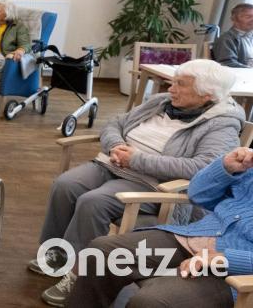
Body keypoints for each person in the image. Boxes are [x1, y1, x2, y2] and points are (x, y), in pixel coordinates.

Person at [31, 59, 244, 307]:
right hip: (113, 163)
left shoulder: (222, 124)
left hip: (151, 182)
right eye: (173, 81)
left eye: (180, 84)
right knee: (65, 184)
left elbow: (202, 168)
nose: (171, 88)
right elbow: (116, 123)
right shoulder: (162, 101)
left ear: (206, 94)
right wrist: (115, 146)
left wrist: (137, 160)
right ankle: (58, 254)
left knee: (93, 202)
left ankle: (77, 274)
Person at [69, 145, 253, 308]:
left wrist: (226, 258)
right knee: (101, 253)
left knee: (151, 301)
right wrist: (225, 167)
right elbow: (197, 195)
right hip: (197, 238)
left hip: (236, 273)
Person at [213, 3, 253, 68]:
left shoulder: (250, 37)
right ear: (234, 19)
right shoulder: (226, 39)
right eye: (248, 17)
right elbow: (227, 63)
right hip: (240, 76)